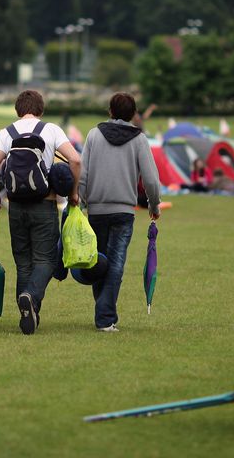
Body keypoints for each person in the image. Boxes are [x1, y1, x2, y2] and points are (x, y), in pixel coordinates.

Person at [0, 90, 81, 335]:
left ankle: (28, 314)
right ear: (40, 109)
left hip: (16, 206)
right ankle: (31, 296)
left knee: (23, 263)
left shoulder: (7, 132)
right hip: (44, 203)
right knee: (47, 260)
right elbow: (76, 160)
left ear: (18, 110)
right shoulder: (51, 130)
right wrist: (73, 193)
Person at [79, 92, 160, 332]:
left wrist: (81, 201)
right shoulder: (139, 139)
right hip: (124, 210)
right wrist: (154, 205)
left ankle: (104, 312)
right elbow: (151, 180)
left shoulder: (94, 135)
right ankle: (105, 317)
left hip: (96, 210)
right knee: (115, 264)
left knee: (98, 261)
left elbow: (82, 174)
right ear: (134, 114)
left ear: (110, 112)